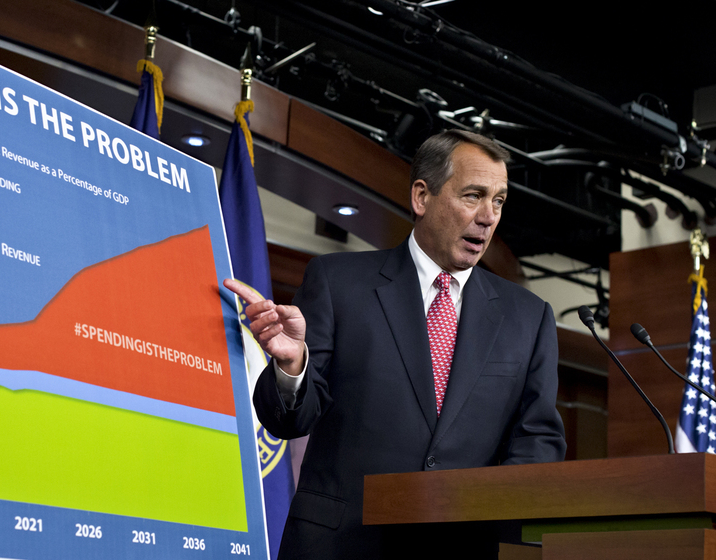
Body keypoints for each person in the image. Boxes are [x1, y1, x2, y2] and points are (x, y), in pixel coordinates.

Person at [224, 129, 566, 558]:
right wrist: (293, 368)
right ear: (422, 197)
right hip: (341, 544)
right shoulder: (338, 283)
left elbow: (537, 442)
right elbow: (291, 422)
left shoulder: (528, 318)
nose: (488, 216)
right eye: (473, 195)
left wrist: (485, 519)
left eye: (498, 201)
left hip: (458, 549)